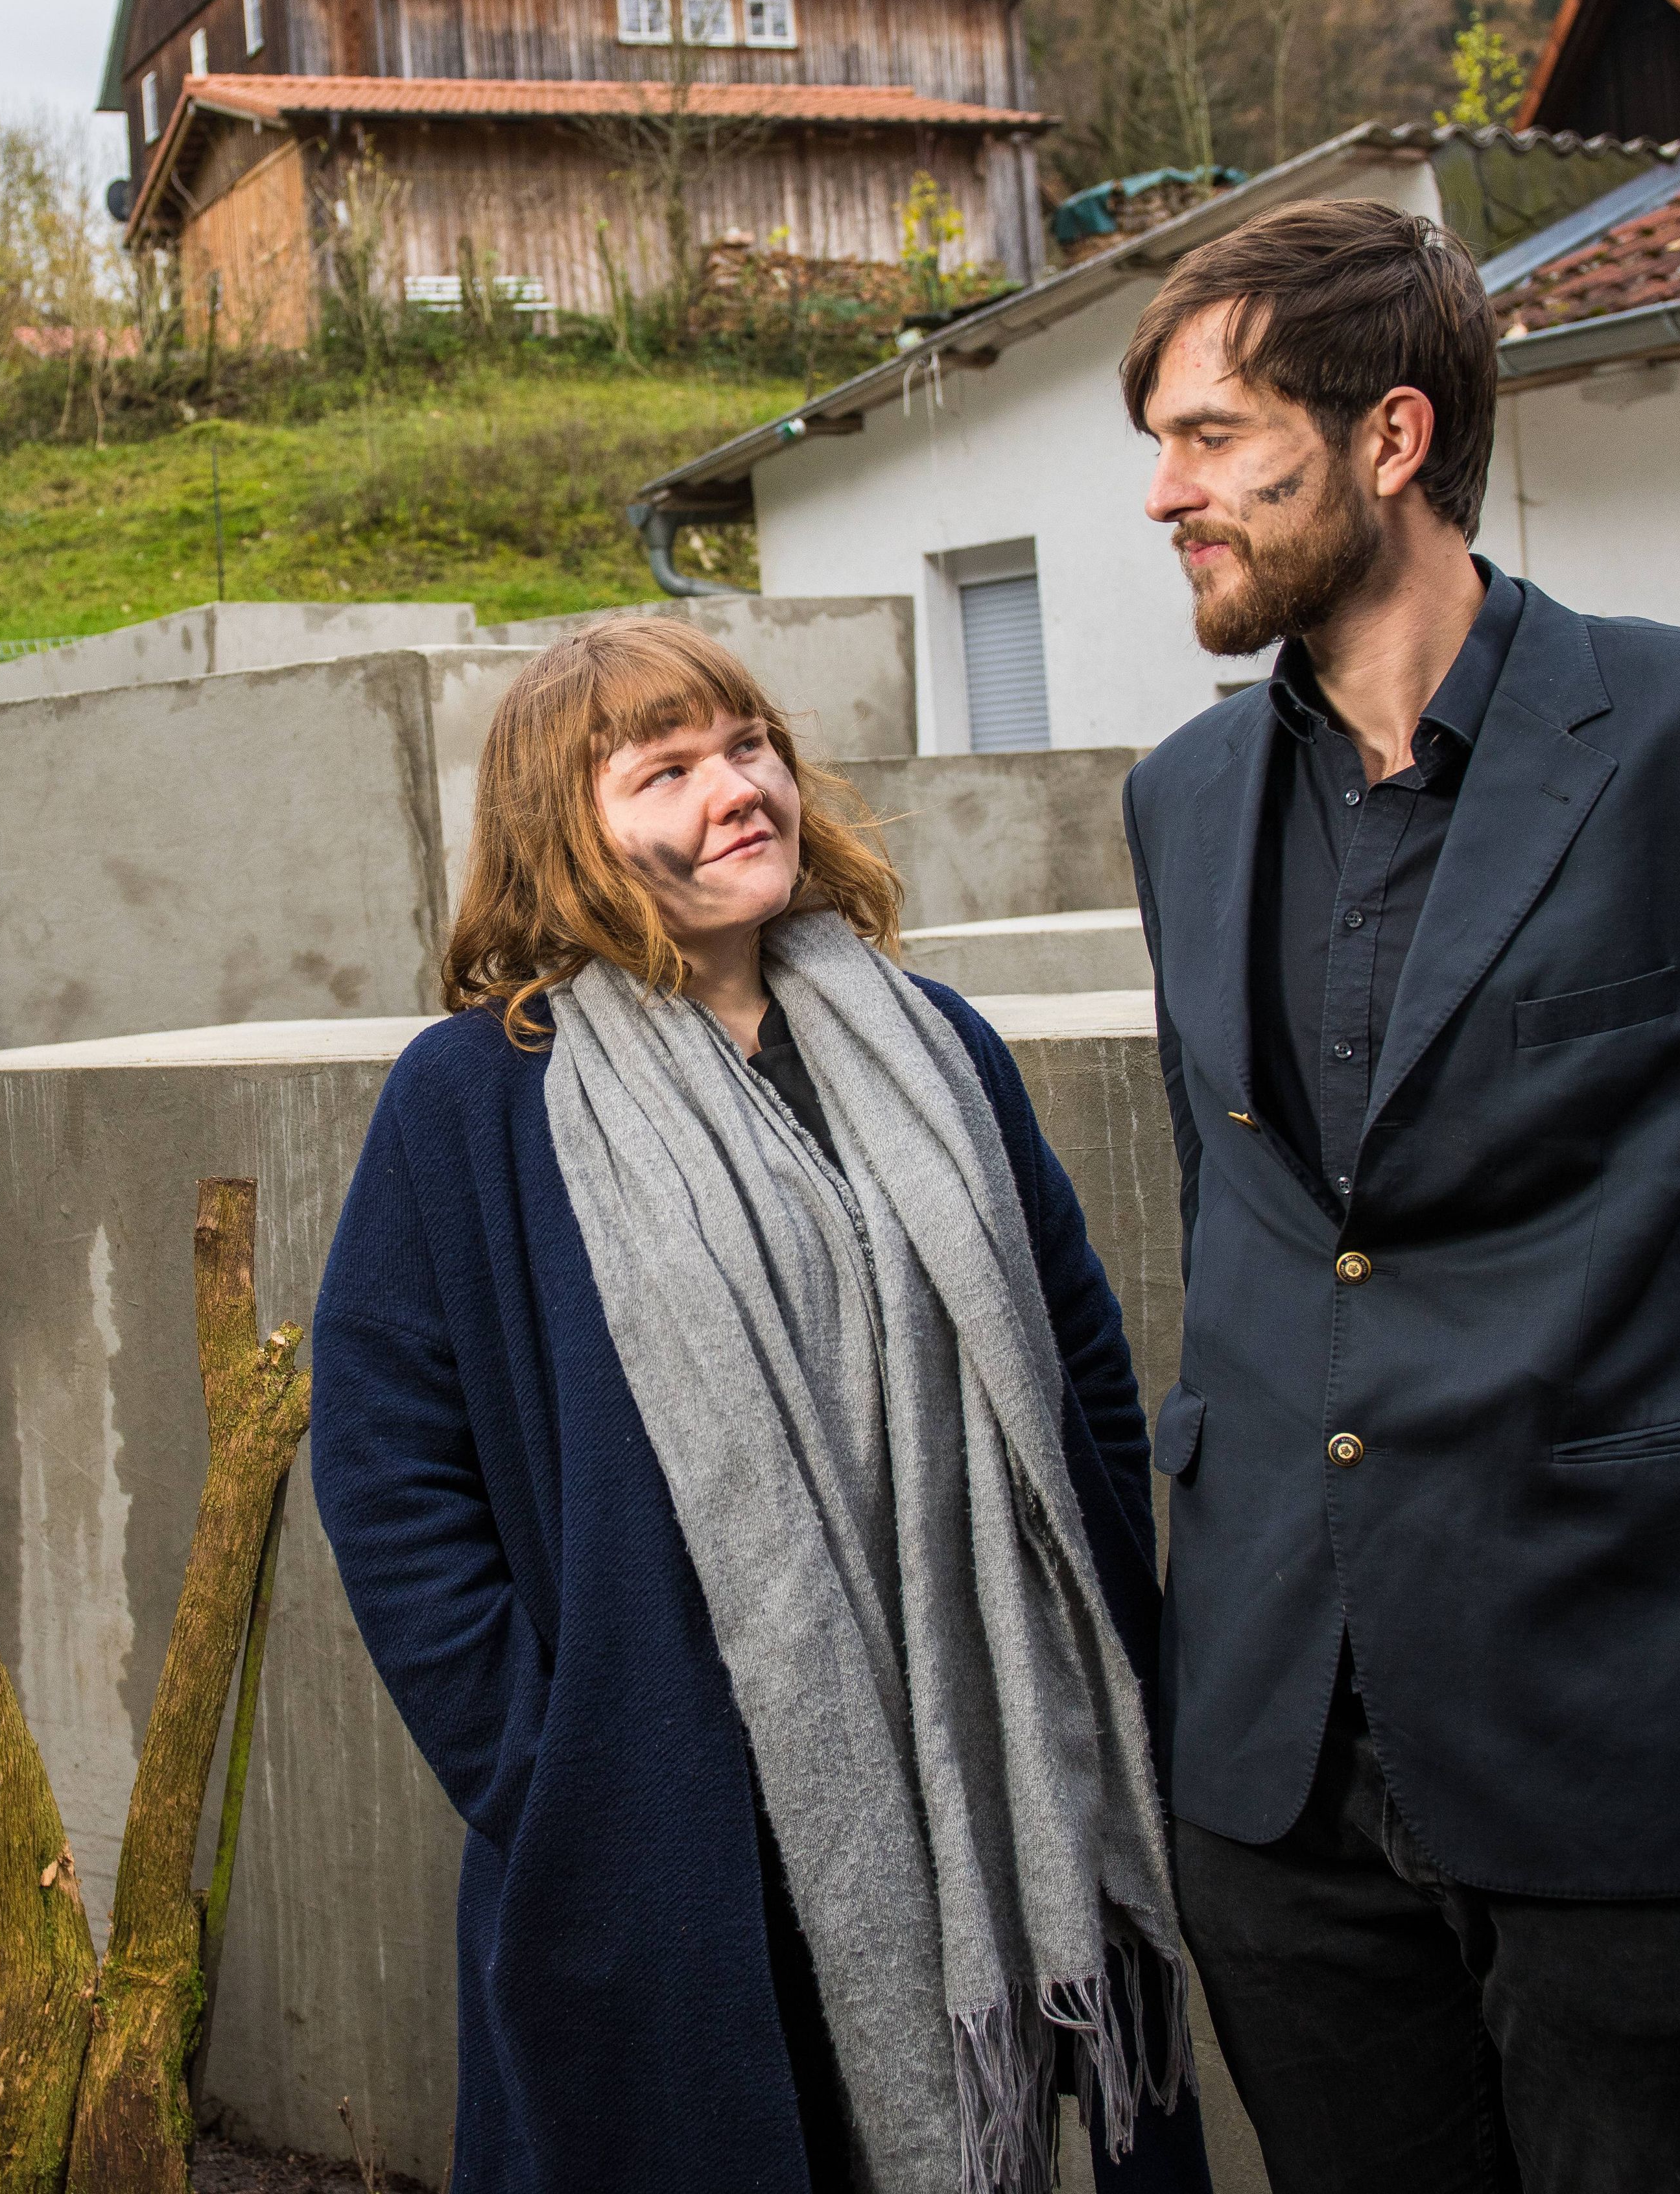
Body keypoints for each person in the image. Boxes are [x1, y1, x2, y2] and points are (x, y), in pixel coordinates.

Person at [1114, 200, 1680, 2194]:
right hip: (1274, 1749)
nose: (1167, 496)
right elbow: (1237, 1224)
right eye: (1157, 444)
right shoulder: (1181, 803)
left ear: (1391, 439)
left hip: (1630, 1720)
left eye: (1213, 436)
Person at [311, 619, 1211, 2194]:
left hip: (971, 1766)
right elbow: (392, 1475)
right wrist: (549, 1766)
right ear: (563, 836)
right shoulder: (476, 1099)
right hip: (669, 1820)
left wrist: (1099, 1636)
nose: (741, 790)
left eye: (751, 747)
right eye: (668, 770)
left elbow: (1076, 1360)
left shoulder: (935, 1050)